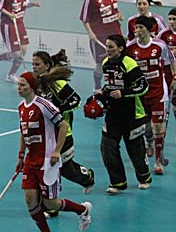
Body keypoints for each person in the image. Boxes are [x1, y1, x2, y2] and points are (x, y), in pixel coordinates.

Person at [15, 71, 92, 232]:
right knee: (30, 199)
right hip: (31, 160)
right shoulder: (21, 107)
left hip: (47, 161)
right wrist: (20, 156)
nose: (19, 88)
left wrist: (57, 151)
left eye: (23, 85)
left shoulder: (44, 105)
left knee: (50, 203)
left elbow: (63, 126)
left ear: (32, 87)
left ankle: (82, 210)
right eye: (18, 84)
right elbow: (23, 132)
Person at [31, 50, 95, 219]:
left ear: (47, 65)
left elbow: (76, 100)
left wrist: (57, 111)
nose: (34, 67)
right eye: (33, 64)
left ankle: (86, 177)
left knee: (65, 169)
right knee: (48, 169)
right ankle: (50, 206)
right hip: (45, 136)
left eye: (37, 64)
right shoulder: (35, 84)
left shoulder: (58, 84)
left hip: (62, 134)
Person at [89, 34, 151, 193]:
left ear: (121, 48)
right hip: (113, 113)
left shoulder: (129, 63)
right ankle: (118, 183)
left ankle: (144, 177)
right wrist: (101, 93)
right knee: (107, 147)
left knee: (135, 151)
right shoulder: (106, 63)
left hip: (132, 113)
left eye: (111, 47)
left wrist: (123, 93)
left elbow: (143, 86)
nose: (107, 50)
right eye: (107, 46)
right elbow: (110, 85)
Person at [126, 16, 176, 174]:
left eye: (140, 27)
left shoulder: (160, 45)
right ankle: (149, 142)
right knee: (146, 126)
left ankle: (158, 161)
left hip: (158, 92)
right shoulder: (130, 47)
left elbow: (171, 62)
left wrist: (174, 78)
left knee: (158, 126)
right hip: (140, 92)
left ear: (148, 29)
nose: (137, 30)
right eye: (136, 28)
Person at [80, 0, 124, 90]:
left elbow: (114, 9)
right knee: (100, 64)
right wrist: (90, 33)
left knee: (119, 60)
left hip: (115, 33)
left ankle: (116, 85)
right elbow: (84, 18)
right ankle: (97, 87)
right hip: (99, 37)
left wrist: (119, 14)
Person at [157, 7, 176, 122]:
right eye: (170, 19)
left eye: (174, 19)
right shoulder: (163, 34)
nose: (172, 22)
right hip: (169, 70)